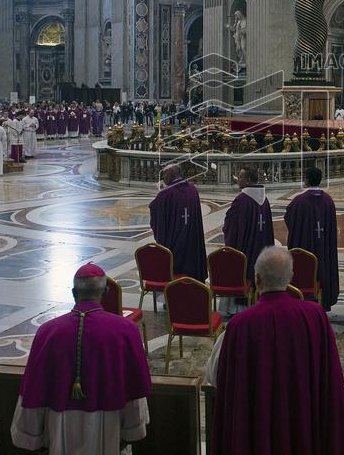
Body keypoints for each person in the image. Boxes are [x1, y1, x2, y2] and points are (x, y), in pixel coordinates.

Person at [206, 246, 344, 455]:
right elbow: (331, 380)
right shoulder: (315, 317)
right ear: (290, 277)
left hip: (256, 433)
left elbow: (217, 376)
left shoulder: (239, 325)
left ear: (257, 280)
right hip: (303, 427)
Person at [12, 263, 151, 454]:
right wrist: (132, 430)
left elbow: (34, 387)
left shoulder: (48, 332)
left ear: (73, 292)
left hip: (59, 428)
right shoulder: (125, 331)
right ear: (106, 291)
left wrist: (32, 434)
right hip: (110, 429)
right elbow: (135, 389)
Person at [284, 167, 339, 311]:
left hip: (304, 244)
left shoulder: (299, 201)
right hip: (323, 248)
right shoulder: (328, 201)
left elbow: (288, 218)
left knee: (303, 269)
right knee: (322, 269)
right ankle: (322, 303)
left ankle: (299, 301)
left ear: (306, 180)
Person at [221, 167, 275, 312]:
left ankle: (239, 308)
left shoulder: (242, 200)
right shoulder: (265, 200)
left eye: (240, 177)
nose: (238, 179)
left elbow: (232, 226)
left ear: (248, 180)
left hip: (245, 248)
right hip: (262, 246)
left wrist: (227, 231)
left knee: (243, 270)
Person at [149, 165, 207, 280]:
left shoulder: (165, 194)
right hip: (192, 243)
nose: (163, 178)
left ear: (170, 175)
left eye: (164, 174)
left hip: (174, 246)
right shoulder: (193, 190)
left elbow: (154, 210)